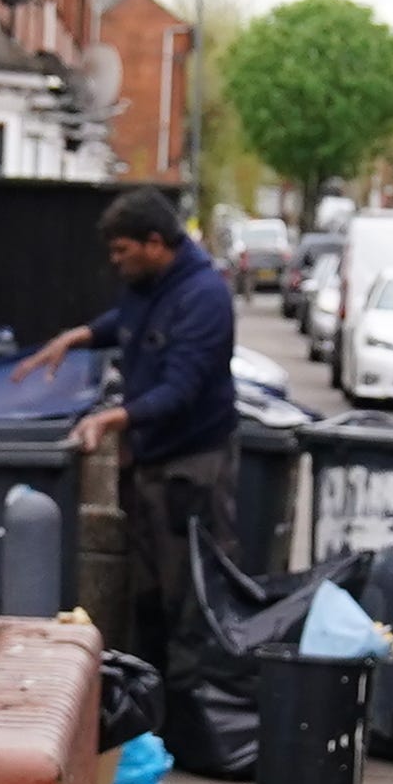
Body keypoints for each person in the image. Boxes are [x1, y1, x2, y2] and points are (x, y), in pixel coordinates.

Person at [39, 186, 241, 683]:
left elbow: (181, 390)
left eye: (121, 250)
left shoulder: (204, 298)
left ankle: (196, 719)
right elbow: (127, 322)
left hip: (192, 470)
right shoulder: (151, 286)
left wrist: (112, 419)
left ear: (155, 243)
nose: (115, 262)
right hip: (153, 466)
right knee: (146, 594)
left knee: (189, 597)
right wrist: (79, 336)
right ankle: (151, 713)